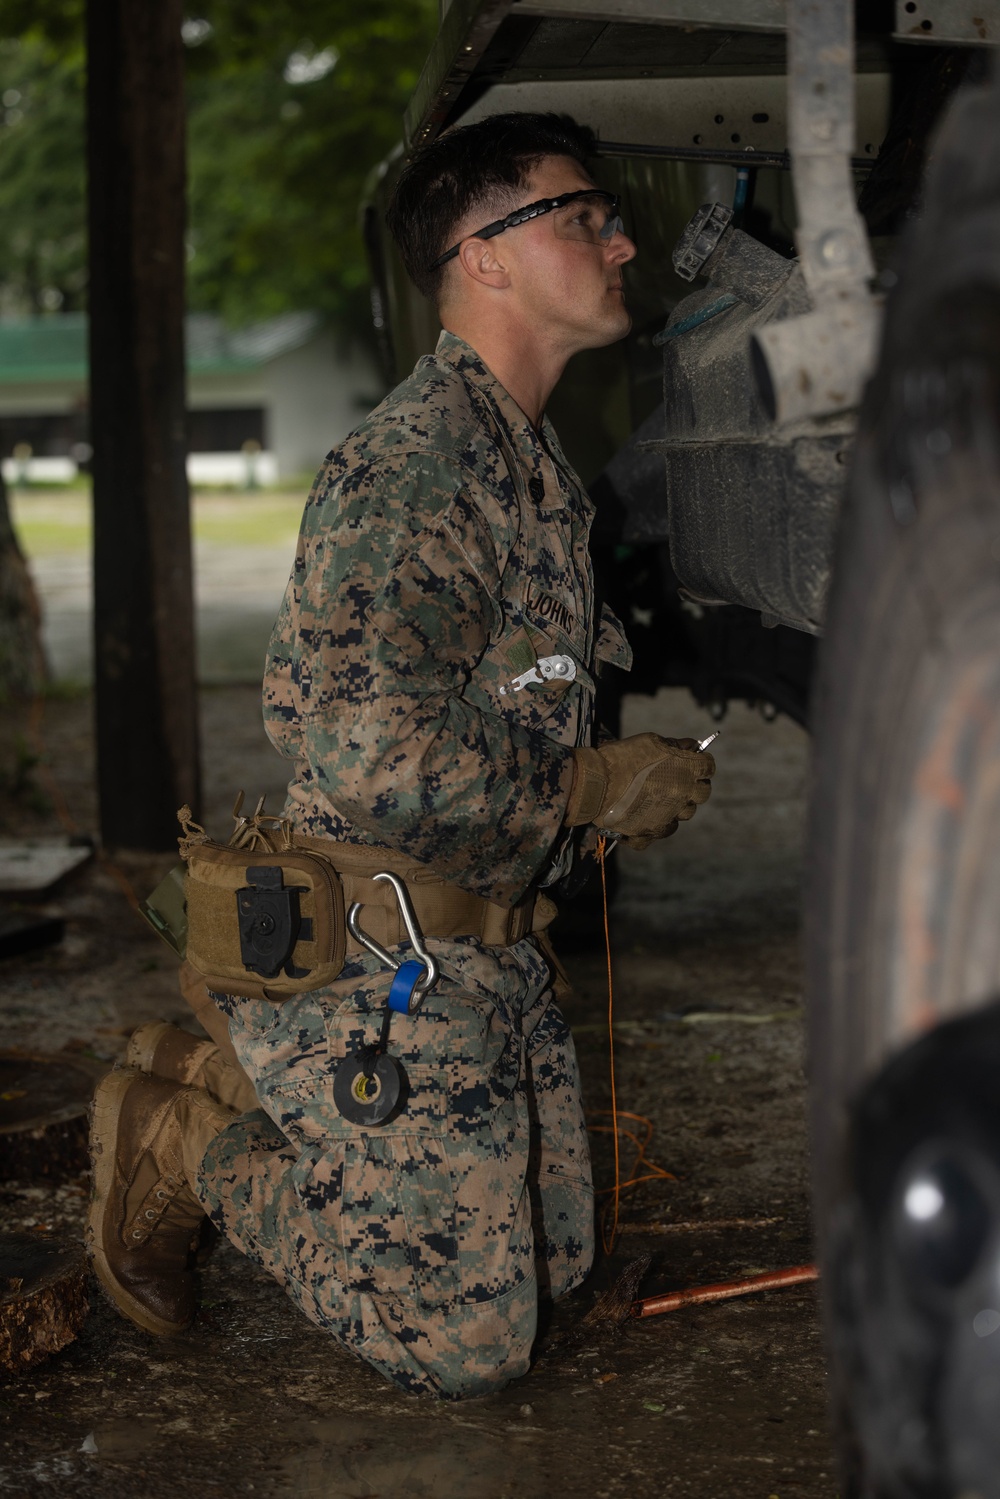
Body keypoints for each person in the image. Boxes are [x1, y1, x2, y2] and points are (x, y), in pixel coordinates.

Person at [87, 112, 715, 1398]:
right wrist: (592, 784)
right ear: (482, 256)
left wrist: (595, 797)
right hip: (382, 958)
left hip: (485, 941)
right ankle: (186, 1132)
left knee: (557, 1272)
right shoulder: (418, 464)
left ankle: (237, 1076)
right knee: (470, 1342)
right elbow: (371, 749)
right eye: (583, 213)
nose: (622, 237)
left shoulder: (528, 462)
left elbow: (501, 709)